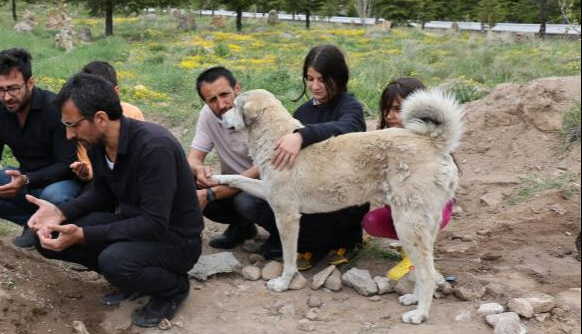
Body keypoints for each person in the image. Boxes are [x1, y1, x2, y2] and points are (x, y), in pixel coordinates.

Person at [26, 73, 203, 327]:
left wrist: (83, 234)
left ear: (100, 119)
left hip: (176, 239)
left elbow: (154, 222)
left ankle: (173, 287)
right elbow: (101, 193)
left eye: (73, 125)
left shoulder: (154, 147)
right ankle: (130, 280)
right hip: (135, 225)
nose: (69, 135)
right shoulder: (98, 144)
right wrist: (59, 213)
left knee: (115, 259)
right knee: (48, 236)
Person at [254, 44, 368, 267]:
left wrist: (302, 136)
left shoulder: (350, 106)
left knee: (328, 214)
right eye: (310, 78)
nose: (315, 86)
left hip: (341, 194)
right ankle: (308, 245)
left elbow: (349, 127)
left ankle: (347, 240)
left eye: (323, 79)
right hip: (307, 190)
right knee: (261, 205)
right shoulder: (301, 112)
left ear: (338, 77)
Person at [0, 48, 81, 247]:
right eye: (0, 89)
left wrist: (27, 179)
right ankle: (34, 224)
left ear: (30, 83)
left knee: (53, 195)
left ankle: (60, 226)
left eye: (13, 88)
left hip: (62, 181)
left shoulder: (53, 107)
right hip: (26, 179)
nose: (7, 97)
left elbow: (67, 163)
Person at [364, 77, 455, 245]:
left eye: (398, 109)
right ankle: (409, 241)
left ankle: (416, 252)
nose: (389, 116)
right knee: (372, 221)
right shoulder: (387, 140)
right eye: (386, 109)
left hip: (433, 208)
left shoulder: (430, 142)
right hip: (402, 207)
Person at [186, 66, 260, 249]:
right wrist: (198, 169)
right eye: (212, 100)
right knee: (187, 180)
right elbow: (193, 158)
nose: (221, 105)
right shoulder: (207, 114)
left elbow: (263, 167)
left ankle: (279, 236)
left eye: (225, 94)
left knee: (246, 202)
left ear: (237, 88)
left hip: (267, 184)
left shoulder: (259, 110)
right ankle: (243, 227)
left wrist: (212, 193)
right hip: (233, 184)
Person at [70, 60, 144, 182]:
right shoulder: (84, 122)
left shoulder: (132, 113)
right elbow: (88, 165)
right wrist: (86, 172)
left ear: (116, 91)